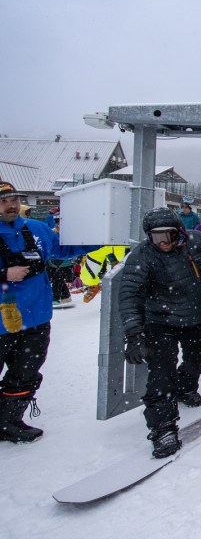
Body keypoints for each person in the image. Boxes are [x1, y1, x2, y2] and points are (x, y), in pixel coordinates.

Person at [117, 207, 201, 458]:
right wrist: (134, 333)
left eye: (169, 236)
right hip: (160, 321)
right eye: (156, 237)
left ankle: (185, 388)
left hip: (195, 317)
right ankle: (162, 427)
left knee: (196, 359)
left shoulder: (196, 241)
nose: (163, 243)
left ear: (181, 233)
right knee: (161, 373)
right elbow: (130, 295)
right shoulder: (143, 256)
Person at [0, 182, 99, 443]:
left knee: (26, 372)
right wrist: (4, 274)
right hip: (1, 322)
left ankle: (9, 422)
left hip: (36, 319)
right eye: (4, 201)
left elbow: (65, 248)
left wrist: (99, 237)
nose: (11, 205)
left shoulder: (35, 229)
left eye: (14, 199)